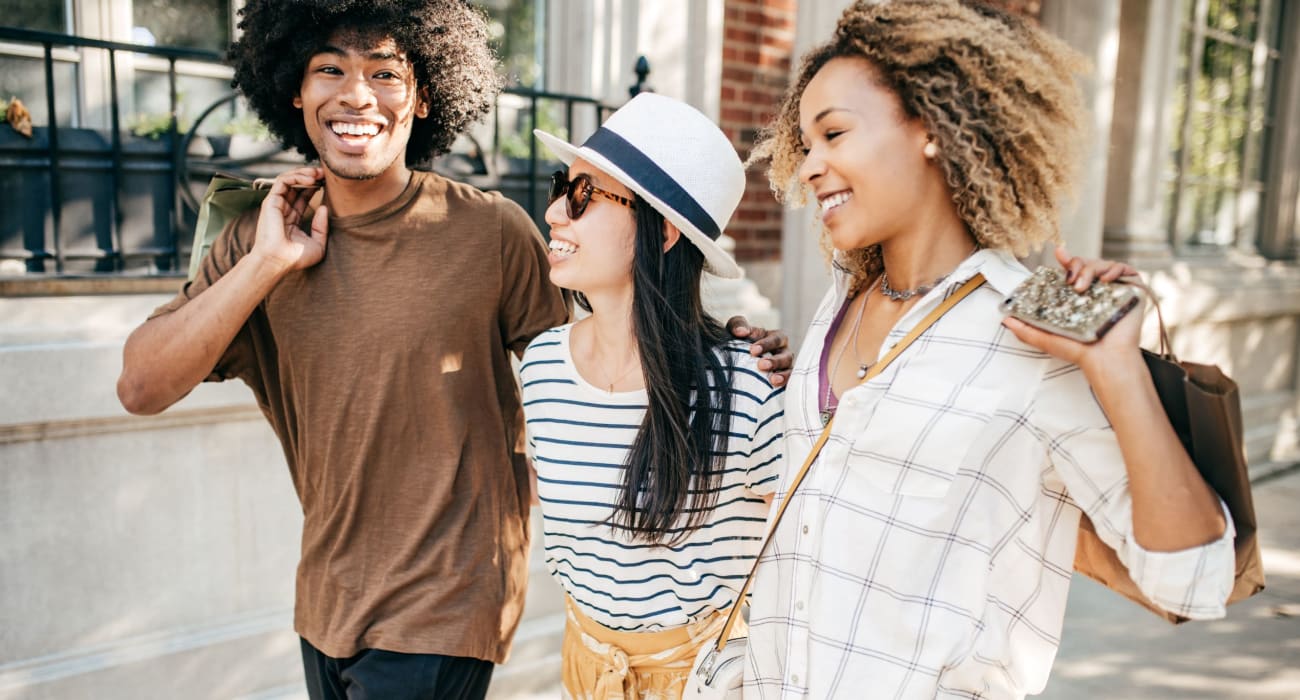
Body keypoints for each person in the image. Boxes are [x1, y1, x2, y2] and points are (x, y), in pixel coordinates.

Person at [113, 2, 789, 698]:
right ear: (294, 89)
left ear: (426, 92)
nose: (356, 94)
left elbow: (606, 357)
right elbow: (140, 387)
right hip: (325, 598)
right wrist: (265, 264)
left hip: (449, 605)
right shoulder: (262, 235)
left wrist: (722, 353)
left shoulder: (490, 232)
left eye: (384, 72)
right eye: (329, 69)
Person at [742, 1, 1235, 698]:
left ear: (932, 129)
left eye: (834, 134)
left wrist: (1115, 362)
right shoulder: (837, 311)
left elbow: (1194, 580)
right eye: (806, 144)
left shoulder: (1030, 334)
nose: (810, 166)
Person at [519, 93, 785, 698]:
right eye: (565, 185)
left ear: (663, 230)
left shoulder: (747, 386)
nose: (556, 210)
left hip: (702, 678)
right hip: (584, 664)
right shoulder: (542, 366)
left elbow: (800, 562)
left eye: (585, 194)